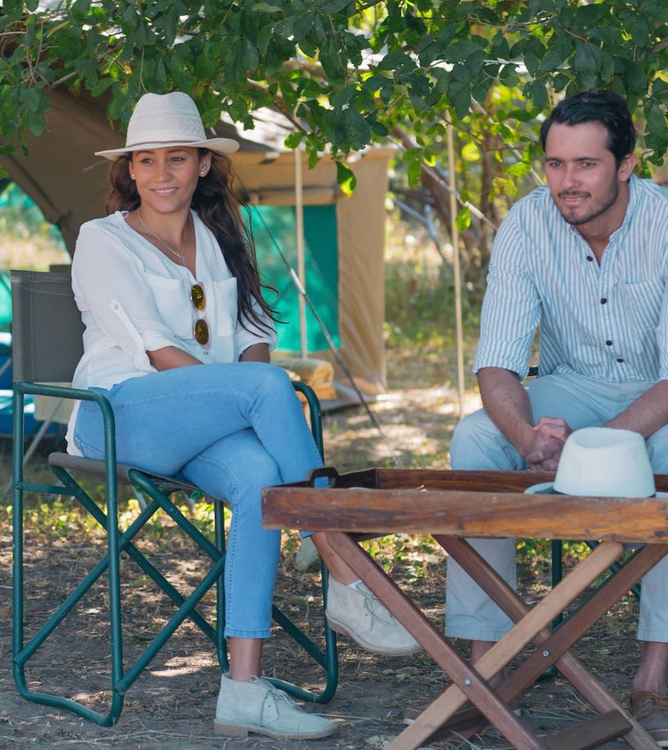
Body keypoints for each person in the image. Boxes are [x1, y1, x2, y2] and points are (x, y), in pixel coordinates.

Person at [69, 91, 420, 740]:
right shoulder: (103, 240)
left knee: (260, 476)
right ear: (130, 169)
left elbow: (254, 333)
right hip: (120, 415)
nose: (162, 173)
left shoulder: (217, 237)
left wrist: (246, 392)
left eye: (178, 158)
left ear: (204, 163)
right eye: (147, 160)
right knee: (266, 389)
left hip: (207, 420)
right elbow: (157, 351)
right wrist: (249, 396)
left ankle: (243, 688)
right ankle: (344, 567)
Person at [444, 90, 668, 748]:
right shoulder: (526, 224)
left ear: (626, 164)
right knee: (476, 436)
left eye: (586, 164)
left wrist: (592, 447)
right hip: (572, 385)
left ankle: (653, 679)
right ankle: (485, 668)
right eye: (555, 164)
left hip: (666, 393)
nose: (567, 181)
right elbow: (497, 365)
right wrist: (527, 436)